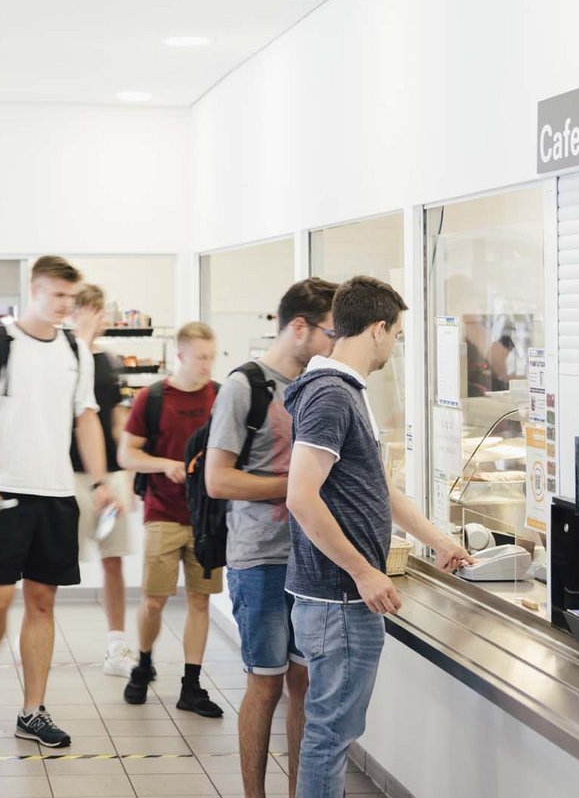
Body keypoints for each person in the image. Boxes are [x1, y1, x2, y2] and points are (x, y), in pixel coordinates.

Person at [283, 276, 474, 798]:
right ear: (377, 328)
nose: (395, 345)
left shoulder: (344, 393)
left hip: (340, 597)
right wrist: (363, 571)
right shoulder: (330, 396)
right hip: (339, 598)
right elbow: (301, 496)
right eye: (396, 334)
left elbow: (381, 490)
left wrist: (438, 540)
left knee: (334, 731)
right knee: (329, 735)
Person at [0, 255, 119, 748]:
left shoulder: (75, 348)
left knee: (42, 602)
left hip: (55, 494)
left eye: (71, 297)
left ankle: (33, 710)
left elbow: (85, 418)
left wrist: (100, 480)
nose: (65, 306)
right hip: (3, 490)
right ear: (35, 290)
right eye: (57, 296)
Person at [204, 277, 337, 798]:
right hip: (259, 560)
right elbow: (218, 480)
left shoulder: (320, 385)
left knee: (303, 684)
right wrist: (294, 487)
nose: (335, 342)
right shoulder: (246, 387)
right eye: (330, 331)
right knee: (265, 682)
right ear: (299, 326)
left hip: (313, 558)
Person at [117, 321, 223, 716]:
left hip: (208, 518)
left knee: (200, 600)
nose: (207, 365)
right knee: (154, 600)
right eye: (200, 358)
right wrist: (166, 465)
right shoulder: (153, 398)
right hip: (163, 513)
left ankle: (191, 685)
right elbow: (127, 456)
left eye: (211, 357)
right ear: (180, 356)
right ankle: (143, 664)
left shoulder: (222, 397)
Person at [69, 283, 137, 676]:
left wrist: (123, 478)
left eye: (102, 311)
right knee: (51, 564)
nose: (101, 319)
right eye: (93, 311)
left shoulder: (109, 362)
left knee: (114, 562)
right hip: (68, 477)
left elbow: (116, 422)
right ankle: (26, 636)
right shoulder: (63, 358)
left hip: (107, 478)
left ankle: (116, 648)